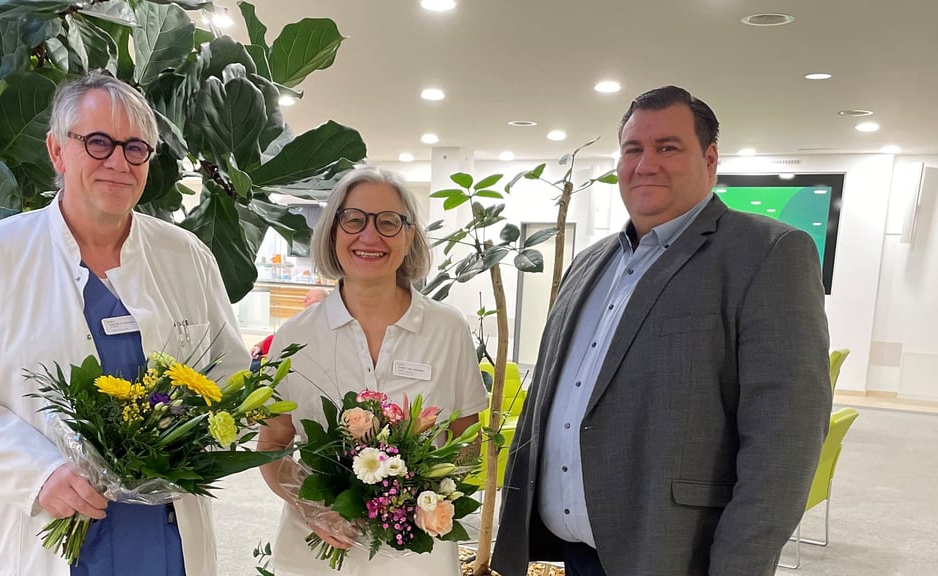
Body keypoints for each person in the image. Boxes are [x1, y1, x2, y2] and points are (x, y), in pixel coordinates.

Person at [492, 86, 832, 576]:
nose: (645, 164)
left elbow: (785, 442)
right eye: (633, 148)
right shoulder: (589, 263)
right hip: (577, 553)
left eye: (667, 147)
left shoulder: (767, 253)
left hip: (675, 556)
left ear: (709, 159)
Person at [0, 72, 248, 575]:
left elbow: (230, 378)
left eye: (135, 148)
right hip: (57, 528)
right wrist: (39, 471)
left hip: (165, 534)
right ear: (57, 151)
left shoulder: (186, 257)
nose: (119, 162)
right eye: (98, 142)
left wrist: (200, 437)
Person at [257, 167, 489, 575]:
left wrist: (420, 498)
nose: (370, 236)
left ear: (409, 236)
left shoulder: (447, 329)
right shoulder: (296, 335)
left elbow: (467, 444)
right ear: (333, 231)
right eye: (353, 219)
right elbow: (272, 445)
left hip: (418, 562)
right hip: (314, 560)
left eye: (388, 222)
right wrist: (314, 507)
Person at [249, 287, 330, 369]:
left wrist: (263, 357)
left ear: (319, 303)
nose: (304, 300)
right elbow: (279, 336)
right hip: (263, 353)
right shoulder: (302, 319)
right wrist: (259, 347)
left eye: (309, 298)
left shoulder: (316, 328)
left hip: (270, 361)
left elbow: (292, 354)